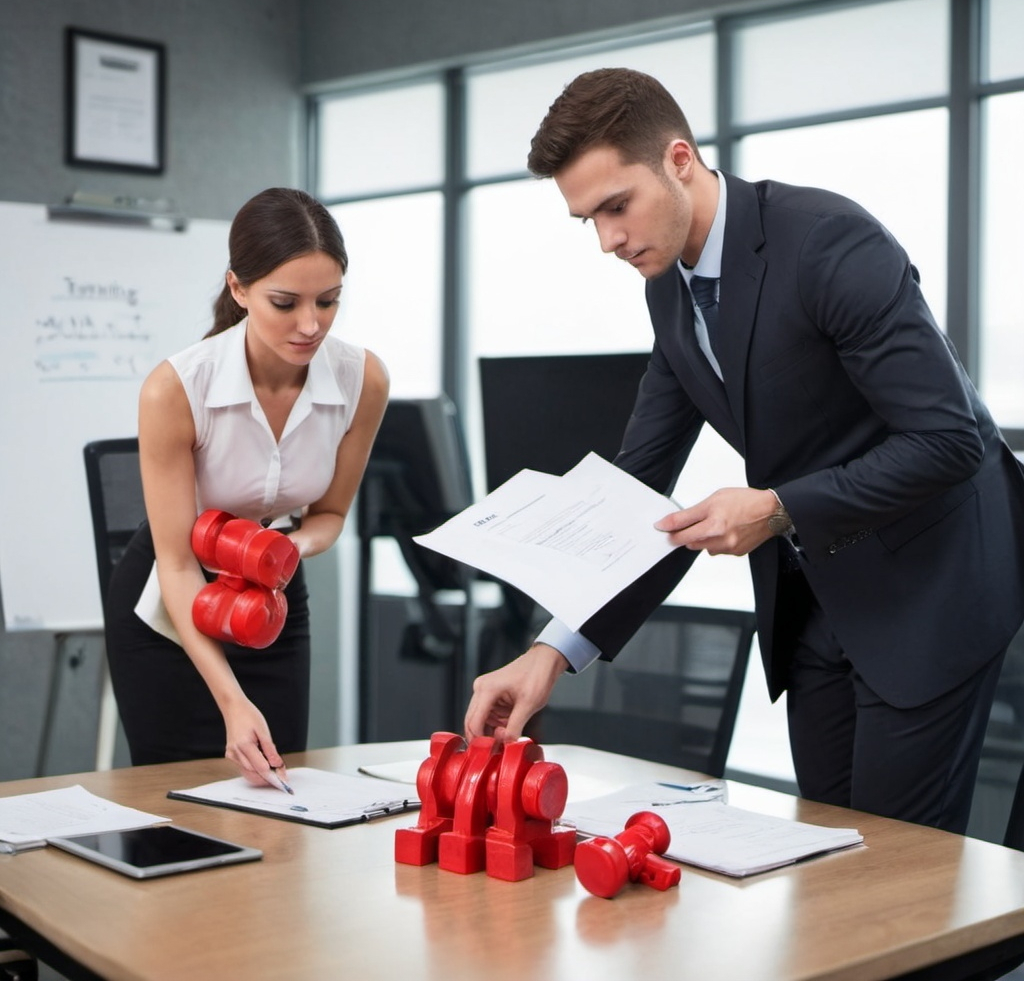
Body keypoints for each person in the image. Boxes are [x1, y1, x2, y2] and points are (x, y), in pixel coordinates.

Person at [464, 68, 1024, 833]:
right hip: (821, 601)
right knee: (827, 865)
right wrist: (551, 651)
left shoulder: (828, 242)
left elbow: (951, 438)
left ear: (680, 161)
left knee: (900, 886)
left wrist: (779, 507)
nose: (608, 241)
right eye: (587, 220)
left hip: (933, 584)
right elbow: (638, 488)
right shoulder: (668, 290)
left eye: (616, 207)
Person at [105, 187, 388, 788]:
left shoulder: (362, 379)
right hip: (169, 602)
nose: (310, 325)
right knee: (174, 804)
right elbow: (178, 566)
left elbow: (331, 513)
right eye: (284, 302)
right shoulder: (177, 388)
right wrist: (232, 702)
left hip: (272, 597)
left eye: (329, 301)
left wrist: (284, 551)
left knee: (280, 802)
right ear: (238, 289)